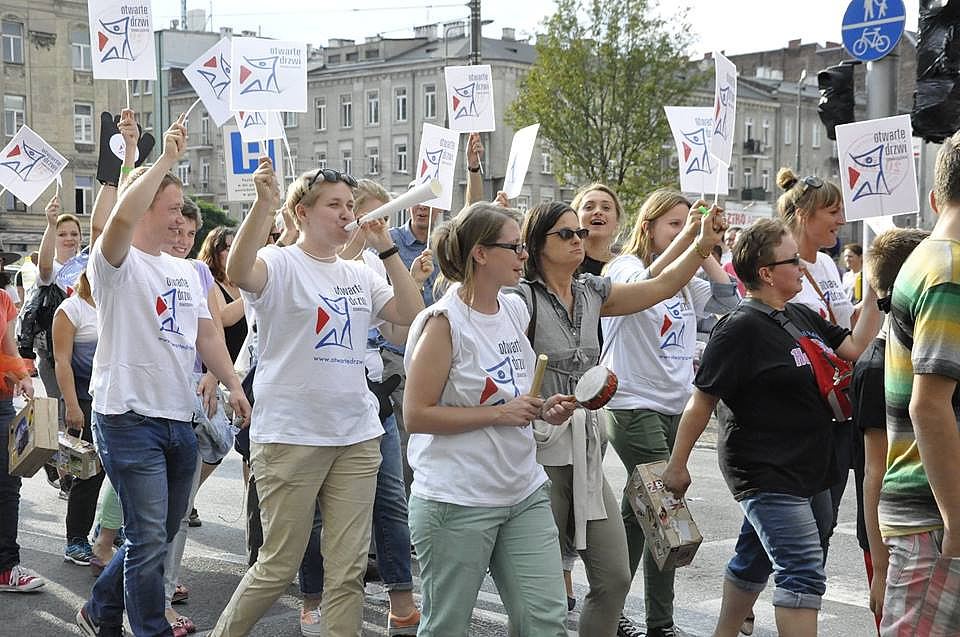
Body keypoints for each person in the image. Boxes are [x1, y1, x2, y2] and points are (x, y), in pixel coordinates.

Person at [211, 158, 424, 636]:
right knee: (278, 566)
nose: (347, 213)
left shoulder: (360, 273)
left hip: (356, 436)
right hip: (290, 436)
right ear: (302, 213)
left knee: (346, 572)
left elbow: (411, 312)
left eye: (350, 205)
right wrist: (264, 206)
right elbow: (239, 268)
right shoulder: (281, 263)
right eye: (334, 205)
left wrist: (387, 247)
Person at [511, 199, 726, 637]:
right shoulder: (521, 299)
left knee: (613, 578)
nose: (579, 240)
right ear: (536, 244)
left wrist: (701, 245)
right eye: (566, 234)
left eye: (580, 233)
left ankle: (644, 621)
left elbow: (662, 285)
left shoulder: (592, 289)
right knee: (543, 589)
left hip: (587, 448)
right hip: (538, 451)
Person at [661, 218, 881, 637]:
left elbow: (853, 346)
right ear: (766, 273)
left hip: (810, 467)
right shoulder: (739, 328)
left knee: (754, 557)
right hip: (766, 471)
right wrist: (678, 465)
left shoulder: (798, 313)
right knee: (801, 572)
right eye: (792, 260)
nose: (803, 267)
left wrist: (871, 292)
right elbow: (702, 400)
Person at [75, 113, 250, 637]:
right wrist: (161, 160)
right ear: (146, 205)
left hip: (178, 418)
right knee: (149, 535)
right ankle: (147, 626)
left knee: (157, 532)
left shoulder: (185, 271)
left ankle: (98, 611)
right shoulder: (114, 261)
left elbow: (207, 338)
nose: (181, 220)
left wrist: (234, 382)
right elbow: (119, 220)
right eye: (172, 209)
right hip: (128, 418)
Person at [403, 201, 578, 636]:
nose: (524, 255)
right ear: (480, 253)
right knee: (447, 627)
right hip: (455, 499)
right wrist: (500, 413)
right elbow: (416, 414)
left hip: (522, 491)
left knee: (545, 619)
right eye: (514, 247)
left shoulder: (514, 310)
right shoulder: (444, 323)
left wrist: (542, 408)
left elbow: (514, 397)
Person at [596, 190, 738, 637]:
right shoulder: (624, 267)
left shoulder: (688, 277)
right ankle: (661, 624)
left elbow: (726, 298)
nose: (683, 230)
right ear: (647, 227)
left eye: (686, 222)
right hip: (632, 404)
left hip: (673, 408)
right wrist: (695, 241)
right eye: (673, 223)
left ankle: (606, 607)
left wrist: (707, 246)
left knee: (639, 516)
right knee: (665, 511)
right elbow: (651, 279)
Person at [294, 179, 428, 636]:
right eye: (346, 210)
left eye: (362, 212)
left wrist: (394, 259)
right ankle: (312, 599)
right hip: (311, 408)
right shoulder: (303, 260)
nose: (355, 219)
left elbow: (399, 329)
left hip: (371, 400)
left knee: (390, 499)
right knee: (313, 514)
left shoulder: (371, 264)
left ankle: (402, 599)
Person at [877, 131, 960, 637]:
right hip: (935, 515)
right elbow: (929, 407)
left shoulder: (928, 257)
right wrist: (956, 519)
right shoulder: (949, 270)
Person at [850, 229, 928, 634]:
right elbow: (873, 472)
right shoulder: (877, 366)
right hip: (890, 538)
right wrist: (880, 567)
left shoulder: (918, 350)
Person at [378, 185, 441, 492]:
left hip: (434, 354)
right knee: (405, 435)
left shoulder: (442, 245)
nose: (422, 207)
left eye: (429, 201)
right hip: (395, 351)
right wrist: (412, 279)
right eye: (415, 200)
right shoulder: (389, 241)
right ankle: (406, 503)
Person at [51, 265, 104, 568]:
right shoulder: (71, 309)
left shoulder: (114, 301)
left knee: (116, 471)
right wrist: (72, 406)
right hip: (83, 399)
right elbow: (62, 361)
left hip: (114, 398)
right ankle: (76, 540)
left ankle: (106, 532)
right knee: (89, 473)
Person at [0, 287, 41, 592]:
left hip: (1, 403)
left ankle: (5, 568)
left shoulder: (2, 299)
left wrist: (22, 375)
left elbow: (8, 347)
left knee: (8, 481)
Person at [572, 183, 623, 276]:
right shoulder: (563, 264)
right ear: (575, 217)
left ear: (617, 222)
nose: (598, 212)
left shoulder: (625, 268)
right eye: (589, 207)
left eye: (606, 208)